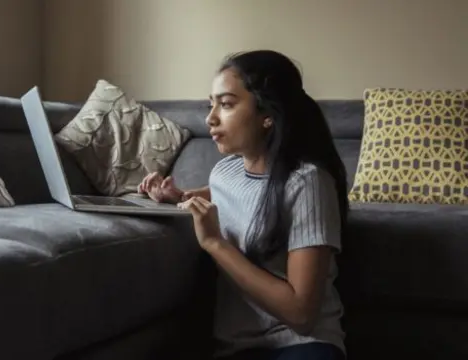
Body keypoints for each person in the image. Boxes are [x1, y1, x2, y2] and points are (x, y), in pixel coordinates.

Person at [138, 50, 349, 360]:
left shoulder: (307, 183)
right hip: (237, 349)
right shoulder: (225, 173)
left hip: (302, 345)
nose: (210, 118)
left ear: (267, 114)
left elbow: (302, 314)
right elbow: (223, 196)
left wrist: (215, 243)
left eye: (226, 104)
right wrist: (176, 197)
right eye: (210, 105)